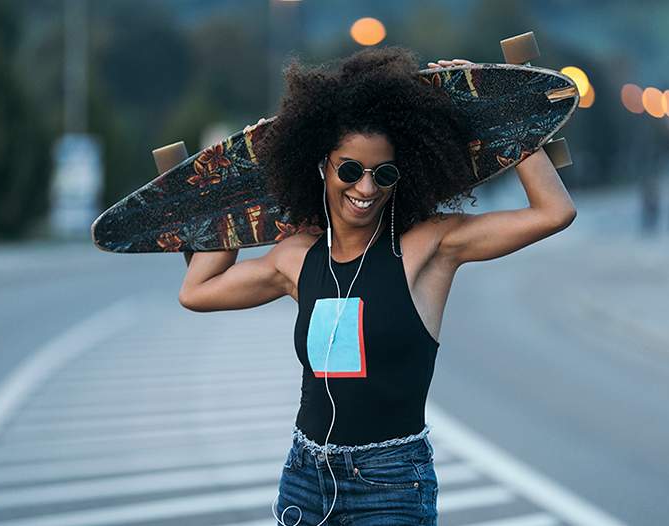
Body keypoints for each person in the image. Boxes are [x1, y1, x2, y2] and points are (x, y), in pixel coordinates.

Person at [178, 47, 577, 526]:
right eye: (349, 169)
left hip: (391, 483)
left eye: (382, 173)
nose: (365, 188)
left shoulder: (430, 246)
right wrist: (235, 188)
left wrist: (501, 114)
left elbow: (554, 213)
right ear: (321, 166)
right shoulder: (296, 258)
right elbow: (196, 290)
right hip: (306, 478)